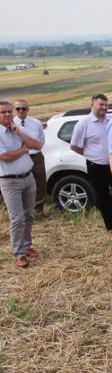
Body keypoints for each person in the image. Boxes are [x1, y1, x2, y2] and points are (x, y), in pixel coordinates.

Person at [0, 100, 42, 268]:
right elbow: (5, 157)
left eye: (10, 111)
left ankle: (26, 247)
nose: (8, 115)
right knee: (17, 218)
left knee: (29, 215)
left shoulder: (18, 129)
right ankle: (18, 253)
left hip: (28, 178)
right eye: (3, 112)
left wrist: (21, 135)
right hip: (10, 181)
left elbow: (37, 145)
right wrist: (25, 149)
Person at [69, 94, 112, 231]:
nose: (104, 107)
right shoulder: (83, 124)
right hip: (96, 166)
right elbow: (74, 146)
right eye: (101, 104)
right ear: (92, 105)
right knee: (103, 198)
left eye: (106, 105)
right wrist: (90, 155)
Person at [13, 99, 46, 215]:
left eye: (23, 108)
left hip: (35, 155)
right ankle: (23, 210)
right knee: (21, 182)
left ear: (28, 109)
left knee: (40, 181)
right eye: (18, 109)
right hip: (20, 156)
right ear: (15, 110)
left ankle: (38, 210)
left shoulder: (36, 123)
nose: (21, 111)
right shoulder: (11, 124)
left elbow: (41, 141)